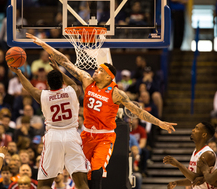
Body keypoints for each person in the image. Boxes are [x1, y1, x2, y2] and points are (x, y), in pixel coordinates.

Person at [26, 32, 176, 189]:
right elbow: (65, 61)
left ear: (108, 77)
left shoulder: (116, 93)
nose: (96, 71)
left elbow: (138, 111)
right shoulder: (87, 81)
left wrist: (159, 123)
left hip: (104, 137)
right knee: (82, 174)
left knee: (96, 171)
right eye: (96, 69)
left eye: (100, 70)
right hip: (86, 134)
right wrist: (43, 44)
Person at [9, 57, 90, 189]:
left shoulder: (43, 95)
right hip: (72, 136)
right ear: (62, 82)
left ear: (47, 83)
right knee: (81, 183)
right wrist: (58, 70)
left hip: (53, 137)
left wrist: (19, 73)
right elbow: (73, 83)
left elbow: (28, 87)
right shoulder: (73, 91)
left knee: (44, 184)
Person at [163, 122, 217, 189]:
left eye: (197, 128)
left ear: (204, 135)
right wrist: (176, 183)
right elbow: (192, 179)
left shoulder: (207, 154)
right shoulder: (196, 151)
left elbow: (196, 179)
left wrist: (178, 164)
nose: (193, 130)